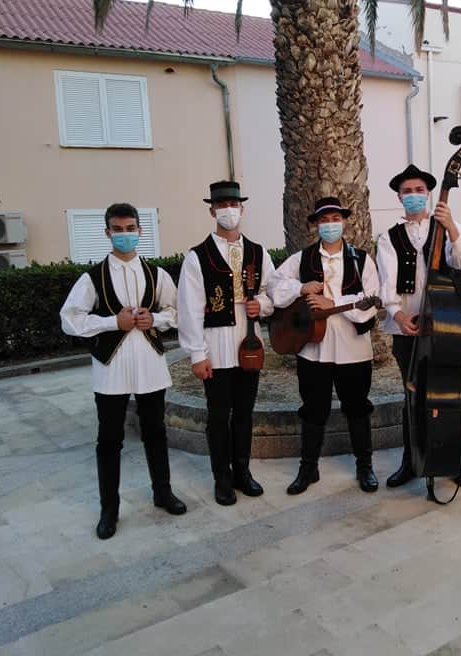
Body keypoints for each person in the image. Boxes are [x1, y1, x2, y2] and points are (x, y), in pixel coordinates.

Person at [60, 203, 187, 540]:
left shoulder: (157, 275)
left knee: (155, 432)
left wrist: (154, 318)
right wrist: (112, 322)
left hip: (149, 365)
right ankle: (109, 509)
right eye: (118, 229)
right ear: (107, 232)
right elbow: (69, 319)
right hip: (111, 369)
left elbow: (176, 312)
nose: (125, 234)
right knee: (109, 440)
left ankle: (163, 492)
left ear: (140, 231)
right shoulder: (92, 278)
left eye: (130, 228)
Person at [269, 196, 380, 494]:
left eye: (335, 219)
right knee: (313, 409)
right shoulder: (301, 259)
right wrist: (300, 287)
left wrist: (334, 303)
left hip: (354, 349)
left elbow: (371, 299)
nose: (330, 224)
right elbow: (274, 286)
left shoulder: (362, 259)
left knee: (357, 408)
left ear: (344, 222)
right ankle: (308, 468)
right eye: (324, 220)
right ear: (316, 224)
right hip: (313, 349)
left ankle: (365, 466)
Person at [376, 164, 461, 489]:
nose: (414, 196)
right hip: (407, 327)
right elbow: (387, 282)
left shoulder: (445, 226)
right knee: (413, 395)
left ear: (429, 193)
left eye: (419, 190)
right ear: (399, 197)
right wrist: (398, 315)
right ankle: (411, 460)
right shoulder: (389, 237)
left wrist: (453, 229)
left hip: (444, 325)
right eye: (407, 191)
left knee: (451, 394)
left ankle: (453, 460)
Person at [177, 181, 275, 506]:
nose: (228, 210)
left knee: (245, 413)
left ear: (242, 209)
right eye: (222, 205)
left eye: (233, 204)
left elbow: (272, 291)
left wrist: (262, 305)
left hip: (249, 345)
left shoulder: (258, 252)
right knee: (219, 416)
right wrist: (197, 354)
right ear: (212, 211)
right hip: (215, 347)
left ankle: (243, 472)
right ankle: (222, 477)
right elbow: (189, 308)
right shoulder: (197, 257)